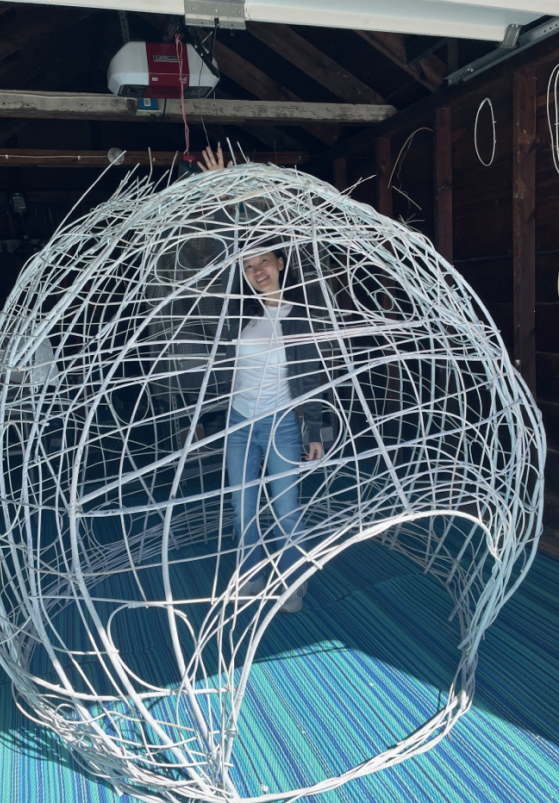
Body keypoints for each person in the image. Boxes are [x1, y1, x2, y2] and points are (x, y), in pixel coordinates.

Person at [198, 145, 324, 613]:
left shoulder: (303, 313)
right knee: (242, 509)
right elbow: (231, 246)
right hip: (238, 423)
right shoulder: (242, 316)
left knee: (287, 510)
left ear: (281, 264)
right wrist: (220, 191)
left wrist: (319, 432)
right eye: (249, 267)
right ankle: (250, 573)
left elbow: (317, 377)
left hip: (283, 425)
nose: (256, 271)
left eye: (265, 261)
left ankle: (291, 579)